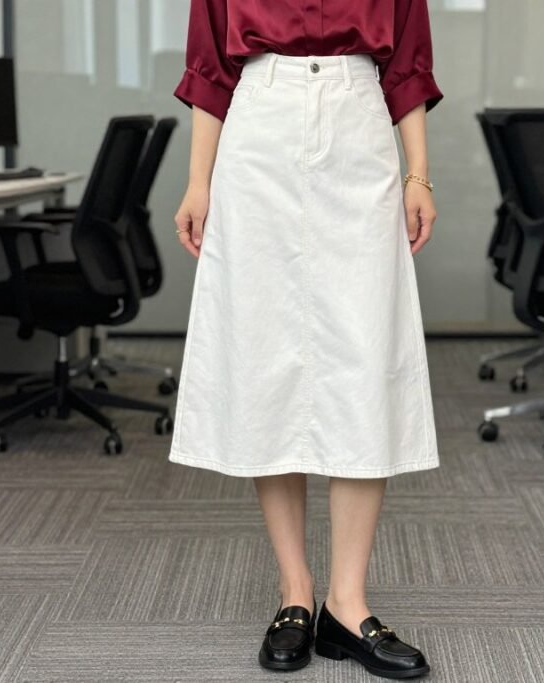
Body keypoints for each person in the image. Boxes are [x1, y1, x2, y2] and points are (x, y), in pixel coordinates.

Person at [169, 1, 442, 678]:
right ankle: (295, 591)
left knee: (364, 357)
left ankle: (347, 604)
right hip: (259, 129)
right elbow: (210, 66)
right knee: (269, 359)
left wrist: (418, 172)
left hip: (360, 124)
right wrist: (199, 181)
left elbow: (407, 64)